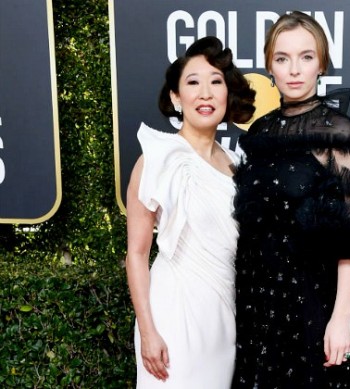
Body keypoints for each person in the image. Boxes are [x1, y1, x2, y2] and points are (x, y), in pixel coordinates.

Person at [231, 11, 350, 388]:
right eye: (282, 58)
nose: (294, 69)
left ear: (321, 64)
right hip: (256, 299)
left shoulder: (337, 130)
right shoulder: (260, 131)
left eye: (306, 57)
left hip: (309, 299)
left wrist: (340, 318)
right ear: (269, 66)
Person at [126, 36, 255, 388]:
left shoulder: (237, 163)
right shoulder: (156, 157)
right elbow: (136, 254)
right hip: (172, 317)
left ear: (227, 95)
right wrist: (149, 331)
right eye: (193, 83)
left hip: (223, 317)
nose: (206, 93)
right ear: (175, 97)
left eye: (216, 82)